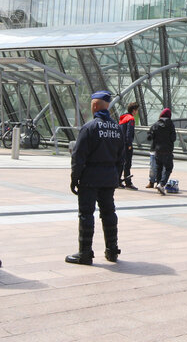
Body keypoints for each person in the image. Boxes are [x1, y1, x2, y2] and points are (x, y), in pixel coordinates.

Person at [66, 91, 125, 265]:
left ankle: (85, 253)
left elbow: (79, 156)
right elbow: (122, 158)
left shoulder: (90, 127)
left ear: (94, 106)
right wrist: (116, 177)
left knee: (86, 214)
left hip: (90, 177)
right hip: (109, 178)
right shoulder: (117, 128)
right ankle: (112, 250)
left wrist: (74, 178)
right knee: (109, 213)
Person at [147, 107, 176, 195]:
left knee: (159, 168)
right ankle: (162, 184)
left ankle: (159, 184)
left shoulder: (156, 124)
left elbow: (149, 136)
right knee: (168, 168)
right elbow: (173, 138)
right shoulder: (170, 124)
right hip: (167, 150)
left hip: (157, 150)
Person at [117, 102, 139, 190]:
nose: (137, 112)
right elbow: (129, 132)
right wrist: (129, 144)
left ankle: (117, 181)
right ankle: (128, 182)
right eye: (137, 110)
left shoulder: (123, 118)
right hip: (126, 144)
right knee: (127, 163)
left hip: (120, 144)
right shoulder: (131, 119)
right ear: (133, 110)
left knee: (121, 163)